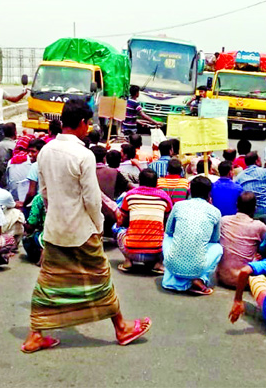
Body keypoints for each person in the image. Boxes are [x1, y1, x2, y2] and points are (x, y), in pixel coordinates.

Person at [21, 98, 151, 354]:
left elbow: (44, 194)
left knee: (49, 281)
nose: (89, 127)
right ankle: (122, 327)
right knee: (101, 278)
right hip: (81, 230)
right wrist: (98, 224)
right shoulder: (83, 154)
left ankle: (35, 334)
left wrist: (54, 215)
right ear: (82, 123)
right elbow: (92, 199)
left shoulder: (45, 151)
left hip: (55, 229)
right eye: (89, 123)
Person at [162, 176, 223, 295]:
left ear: (190, 191)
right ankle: (200, 279)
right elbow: (214, 239)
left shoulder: (178, 205)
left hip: (173, 264)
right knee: (218, 248)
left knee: (167, 237)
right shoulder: (215, 211)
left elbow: (169, 231)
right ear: (209, 194)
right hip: (198, 268)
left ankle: (178, 279)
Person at [116, 168, 172, 274]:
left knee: (116, 228)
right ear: (156, 183)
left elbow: (122, 218)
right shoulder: (164, 196)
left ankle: (128, 261)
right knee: (168, 236)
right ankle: (158, 263)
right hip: (157, 251)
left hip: (131, 251)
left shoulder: (130, 195)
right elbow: (169, 219)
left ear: (140, 181)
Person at [217, 192, 266, 288]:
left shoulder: (224, 220)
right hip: (245, 280)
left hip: (223, 278)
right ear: (255, 208)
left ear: (237, 205)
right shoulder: (259, 226)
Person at [6, 135, 33, 202]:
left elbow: (8, 182)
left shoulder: (11, 161)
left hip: (14, 197)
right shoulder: (30, 160)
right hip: (28, 198)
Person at [24, 138, 46, 205]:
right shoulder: (49, 163)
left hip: (39, 203)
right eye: (28, 151)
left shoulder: (35, 166)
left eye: (33, 152)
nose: (30, 154)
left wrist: (24, 204)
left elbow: (31, 193)